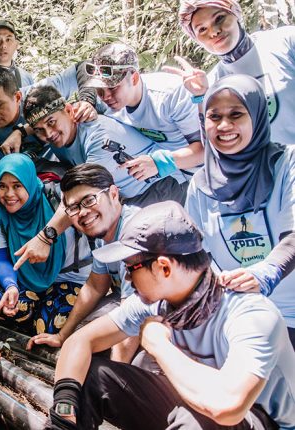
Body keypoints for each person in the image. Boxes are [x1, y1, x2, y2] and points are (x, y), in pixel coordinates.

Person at [49, 201, 295, 430]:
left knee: (193, 420)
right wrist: (65, 408)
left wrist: (158, 344)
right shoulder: (156, 301)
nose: (126, 278)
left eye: (131, 267)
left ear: (163, 267)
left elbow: (227, 406)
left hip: (260, 418)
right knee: (91, 375)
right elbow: (81, 341)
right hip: (191, 401)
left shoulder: (249, 314)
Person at [183, 74, 295, 347]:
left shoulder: (287, 163)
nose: (224, 125)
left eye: (236, 114)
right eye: (214, 116)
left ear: (257, 117)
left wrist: (265, 273)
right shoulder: (200, 184)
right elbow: (196, 253)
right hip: (239, 317)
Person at [22, 164, 141, 363]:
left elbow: (133, 315)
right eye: (74, 207)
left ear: (113, 193)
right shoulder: (105, 233)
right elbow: (95, 286)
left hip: (174, 319)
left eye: (89, 200)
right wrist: (62, 336)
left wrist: (116, 374)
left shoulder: (134, 233)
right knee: (79, 338)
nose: (83, 212)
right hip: (128, 303)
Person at [23, 85, 186, 206]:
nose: (48, 133)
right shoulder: (57, 135)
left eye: (51, 122)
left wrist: (45, 238)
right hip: (124, 195)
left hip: (160, 188)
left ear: (69, 110)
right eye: (39, 130)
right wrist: (20, 131)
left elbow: (82, 194)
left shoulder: (98, 138)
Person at [0, 154, 92, 335]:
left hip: (68, 277)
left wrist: (46, 238)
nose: (9, 194)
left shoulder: (55, 196)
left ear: (29, 182)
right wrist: (11, 285)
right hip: (25, 276)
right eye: (2, 186)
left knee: (49, 326)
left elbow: (80, 201)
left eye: (17, 186)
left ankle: (39, 317)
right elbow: (0, 258)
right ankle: (33, 315)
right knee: (0, 303)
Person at [177, 0, 295, 144]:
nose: (214, 31)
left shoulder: (284, 42)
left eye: (219, 18)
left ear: (234, 13)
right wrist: (201, 96)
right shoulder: (213, 84)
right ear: (196, 40)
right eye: (202, 29)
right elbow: (216, 150)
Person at [84, 42, 203, 185]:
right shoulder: (105, 104)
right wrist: (86, 103)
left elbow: (205, 150)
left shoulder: (170, 95)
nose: (105, 96)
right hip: (169, 176)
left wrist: (160, 163)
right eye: (99, 89)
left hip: (203, 169)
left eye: (113, 87)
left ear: (134, 78)